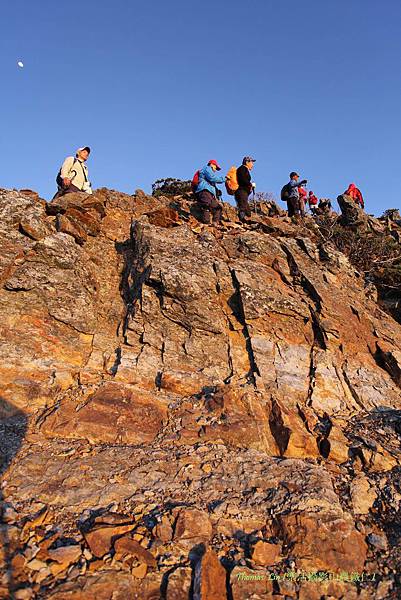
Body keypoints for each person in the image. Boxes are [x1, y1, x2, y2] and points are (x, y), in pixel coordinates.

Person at [194, 159, 225, 225]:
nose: (216, 169)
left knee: (218, 207)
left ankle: (214, 222)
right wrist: (224, 179)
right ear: (212, 164)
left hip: (208, 193)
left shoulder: (208, 172)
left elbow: (211, 183)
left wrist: (217, 192)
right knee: (206, 205)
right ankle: (206, 223)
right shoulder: (207, 168)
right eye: (216, 167)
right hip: (204, 191)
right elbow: (212, 178)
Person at [235, 156, 256, 222]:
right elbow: (242, 179)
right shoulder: (242, 169)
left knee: (247, 210)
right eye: (252, 162)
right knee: (243, 207)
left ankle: (245, 221)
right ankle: (242, 221)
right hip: (241, 191)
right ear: (247, 162)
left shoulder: (243, 169)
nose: (252, 165)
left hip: (242, 192)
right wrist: (250, 184)